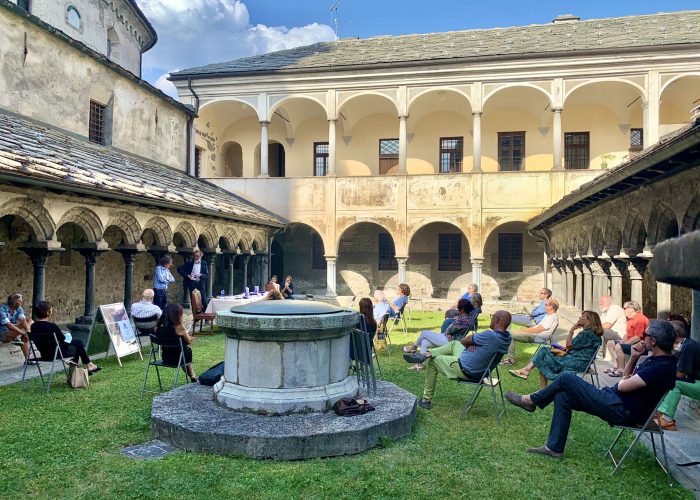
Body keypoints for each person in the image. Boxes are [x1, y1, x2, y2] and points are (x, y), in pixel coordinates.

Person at [505, 320, 678, 458]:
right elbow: (625, 380)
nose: (641, 338)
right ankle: (554, 448)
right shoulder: (658, 361)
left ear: (653, 341)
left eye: (644, 335)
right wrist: (633, 358)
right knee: (563, 396)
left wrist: (624, 380)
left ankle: (530, 400)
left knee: (567, 378)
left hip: (621, 409)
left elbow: (623, 385)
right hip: (616, 401)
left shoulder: (660, 368)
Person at [403, 310, 512, 409]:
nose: (491, 318)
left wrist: (470, 342)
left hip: (466, 369)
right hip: (482, 372)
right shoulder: (507, 338)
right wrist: (471, 343)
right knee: (454, 344)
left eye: (492, 316)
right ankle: (426, 354)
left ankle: (426, 399)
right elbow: (464, 342)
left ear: (497, 320)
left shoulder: (489, 335)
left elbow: (464, 340)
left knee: (433, 361)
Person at [509, 310, 603, 389]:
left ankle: (530, 375)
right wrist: (564, 349)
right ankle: (530, 375)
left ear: (589, 320)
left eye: (582, 317)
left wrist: (571, 330)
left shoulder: (586, 334)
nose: (579, 318)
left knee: (543, 354)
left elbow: (569, 345)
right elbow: (575, 348)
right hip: (581, 362)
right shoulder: (593, 334)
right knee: (544, 353)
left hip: (575, 362)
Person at [402, 298, 475, 372]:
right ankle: (419, 365)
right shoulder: (465, 318)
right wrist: (454, 322)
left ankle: (414, 347)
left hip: (449, 341)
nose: (457, 308)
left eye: (458, 307)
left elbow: (449, 330)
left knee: (424, 333)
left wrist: (452, 324)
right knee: (424, 342)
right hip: (448, 338)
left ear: (462, 310)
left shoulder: (462, 320)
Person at [30, 301, 101, 374]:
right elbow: (62, 339)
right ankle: (86, 365)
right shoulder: (52, 326)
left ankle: (82, 367)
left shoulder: (33, 326)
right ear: (48, 313)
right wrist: (66, 335)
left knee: (77, 344)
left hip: (44, 355)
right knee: (79, 344)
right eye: (51, 310)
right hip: (57, 354)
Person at [656, 319, 700, 431]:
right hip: (696, 382)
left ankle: (667, 419)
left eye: (665, 332)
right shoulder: (684, 345)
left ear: (674, 334)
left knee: (674, 383)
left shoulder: (688, 347)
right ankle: (658, 413)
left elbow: (679, 374)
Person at [502, 299, 560, 365]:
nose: (544, 306)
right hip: (537, 335)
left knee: (509, 334)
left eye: (546, 305)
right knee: (509, 332)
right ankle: (506, 356)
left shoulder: (551, 318)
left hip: (538, 337)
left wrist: (520, 331)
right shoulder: (549, 315)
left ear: (551, 307)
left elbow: (537, 330)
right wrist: (524, 330)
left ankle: (510, 359)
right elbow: (537, 327)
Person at [155, 303, 197, 382]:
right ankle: (192, 375)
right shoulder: (179, 327)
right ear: (176, 315)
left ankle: (192, 376)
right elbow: (188, 342)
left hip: (166, 357)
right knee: (186, 349)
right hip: (179, 358)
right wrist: (190, 338)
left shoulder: (158, 327)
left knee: (184, 350)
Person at [606, 300, 649, 377]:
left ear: (631, 309)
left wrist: (623, 345)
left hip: (641, 345)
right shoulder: (630, 319)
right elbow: (627, 334)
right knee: (610, 343)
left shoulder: (639, 319)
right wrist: (622, 342)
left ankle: (622, 370)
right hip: (633, 342)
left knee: (619, 347)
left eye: (625, 308)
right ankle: (616, 366)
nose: (623, 310)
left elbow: (637, 337)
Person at [0, 293, 32, 361]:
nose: (21, 303)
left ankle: (19, 337)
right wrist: (23, 332)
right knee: (24, 334)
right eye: (20, 301)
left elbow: (23, 320)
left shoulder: (19, 308)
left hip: (13, 331)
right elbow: (9, 325)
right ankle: (28, 359)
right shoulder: (1, 310)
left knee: (30, 321)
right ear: (14, 303)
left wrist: (27, 330)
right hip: (3, 333)